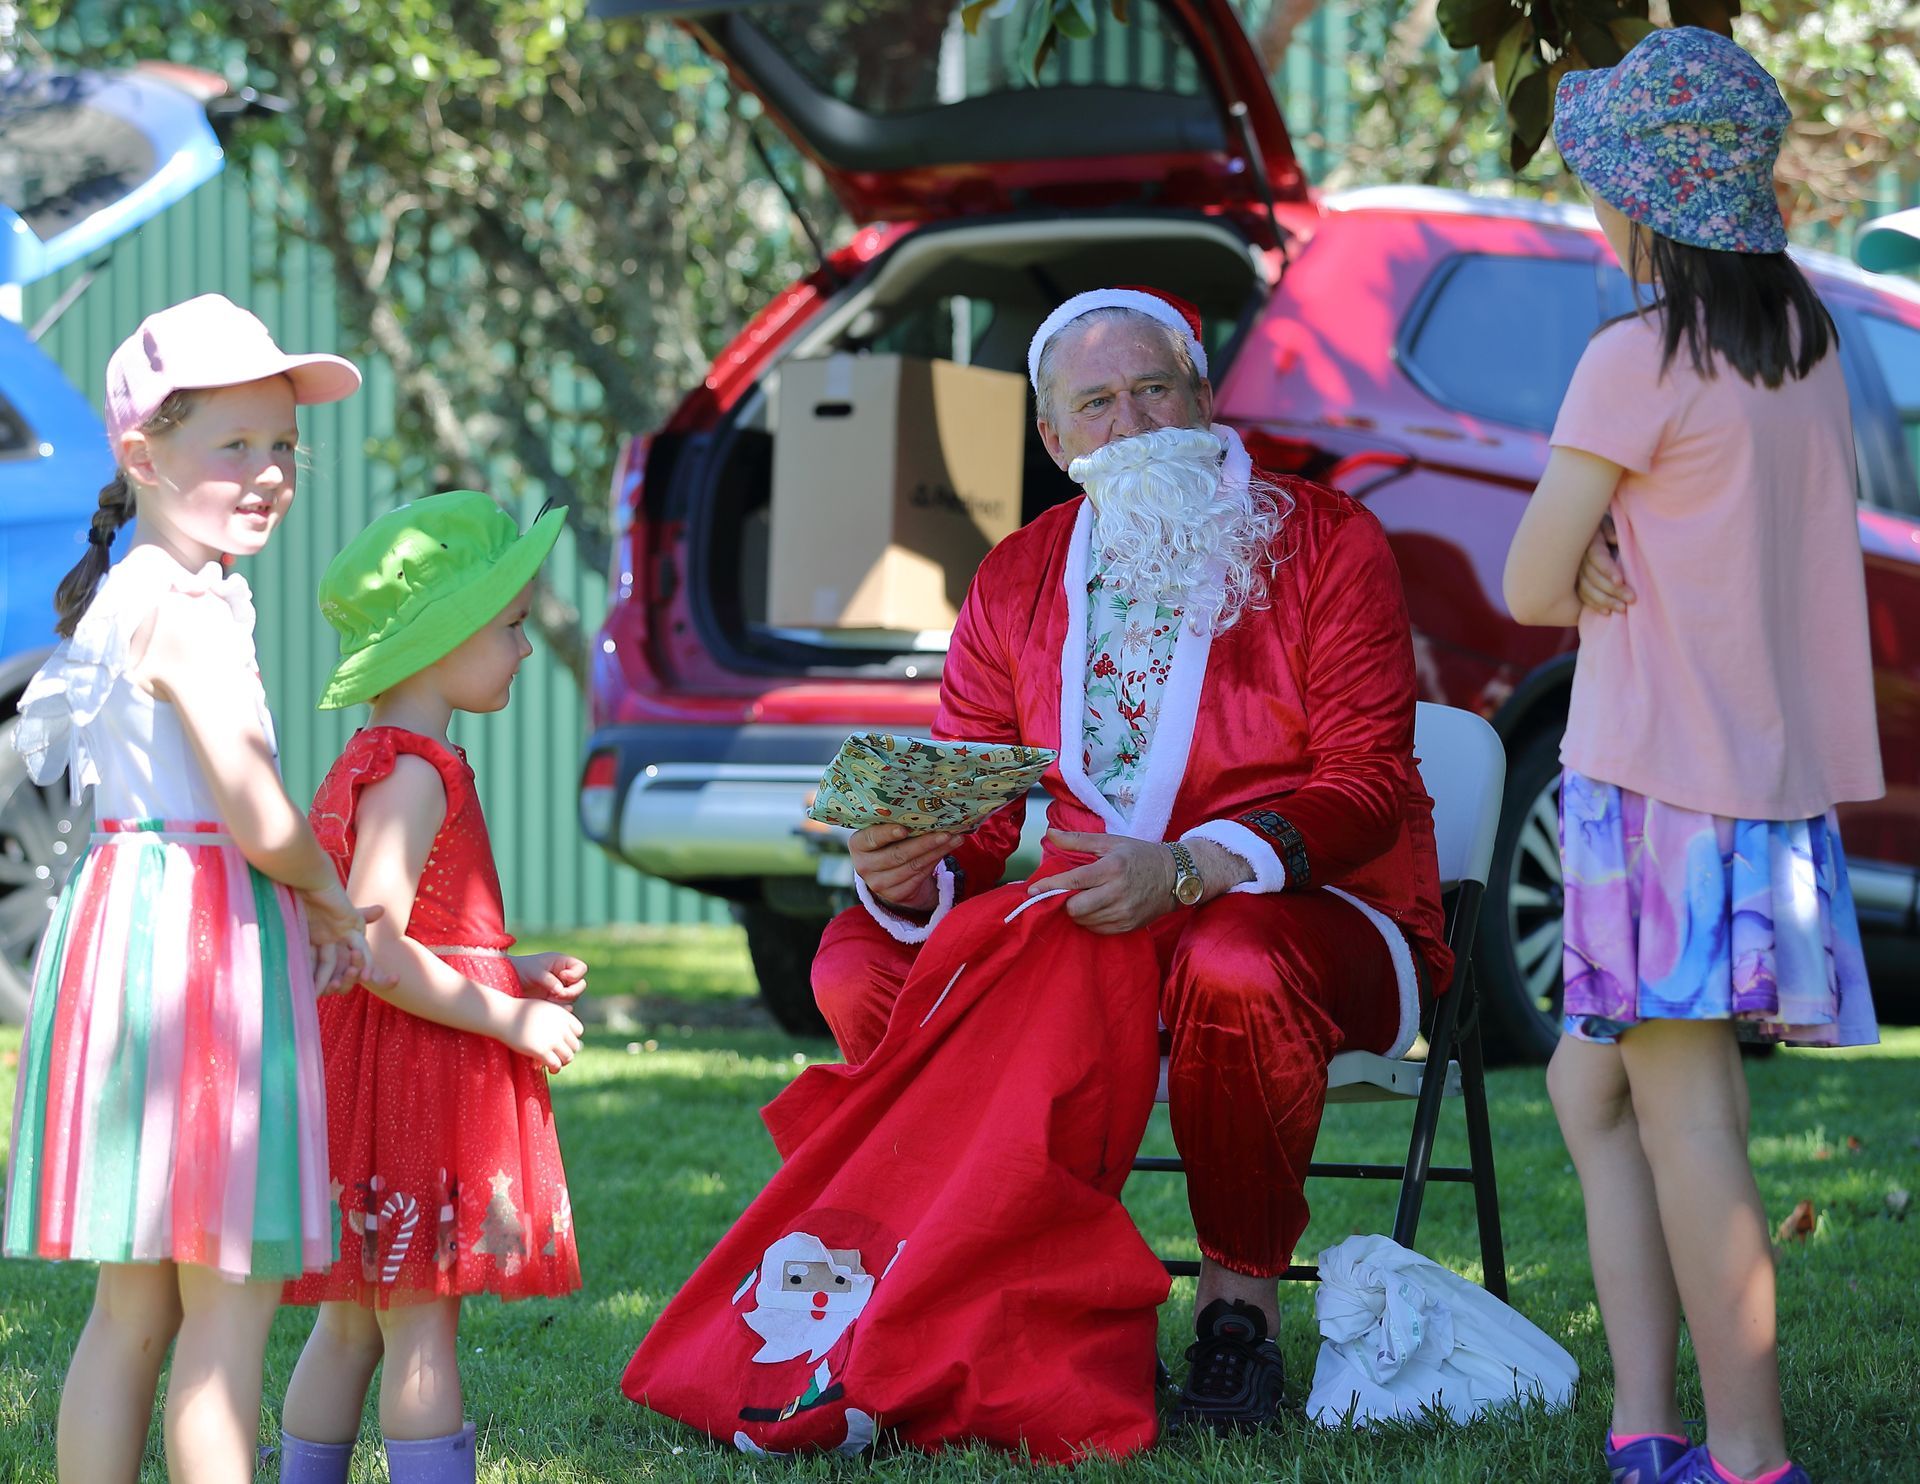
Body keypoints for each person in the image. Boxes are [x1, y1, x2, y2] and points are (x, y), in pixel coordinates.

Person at [786, 285, 1450, 1440]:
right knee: (859, 964)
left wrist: (1191, 866)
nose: (1132, 424)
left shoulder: (1326, 538)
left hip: (1317, 913)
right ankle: (977, 1282)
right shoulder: (1016, 575)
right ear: (1053, 439)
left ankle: (1235, 1310)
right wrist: (905, 868)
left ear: (1203, 397)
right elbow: (981, 808)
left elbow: (1370, 781)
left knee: (1232, 960)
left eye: (1155, 389)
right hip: (1097, 929)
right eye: (1096, 403)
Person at [1504, 29, 1882, 1484]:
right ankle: (1647, 1428)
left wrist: (1591, 542)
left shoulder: (1635, 355)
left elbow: (1533, 582)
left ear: (1641, 204)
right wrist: (1613, 539)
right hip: (1759, 792)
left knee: (1690, 1114)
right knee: (1592, 1090)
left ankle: (1742, 1458)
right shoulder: (1800, 344)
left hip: (1655, 786)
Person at [0, 294, 381, 1484]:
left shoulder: (128, 591)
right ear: (141, 453)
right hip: (205, 956)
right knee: (225, 1321)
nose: (269, 472)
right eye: (236, 444)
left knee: (133, 1312)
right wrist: (329, 897)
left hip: (126, 929)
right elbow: (261, 813)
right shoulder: (195, 607)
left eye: (283, 446)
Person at [277, 490, 585, 1484]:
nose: (524, 648)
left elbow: (419, 933)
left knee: (350, 1326)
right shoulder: (416, 772)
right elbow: (383, 947)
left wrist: (507, 961)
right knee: (419, 1331)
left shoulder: (371, 762)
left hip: (370, 1078)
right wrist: (513, 1016)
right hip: (412, 1089)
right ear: (441, 640)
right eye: (510, 627)